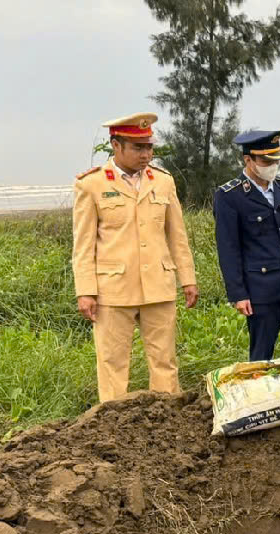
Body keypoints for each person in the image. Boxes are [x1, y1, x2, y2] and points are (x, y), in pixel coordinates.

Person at [72, 112, 198, 402]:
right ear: (116, 146)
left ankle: (167, 419)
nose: (146, 154)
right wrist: (86, 291)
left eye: (149, 147)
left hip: (159, 285)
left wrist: (188, 279)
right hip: (113, 290)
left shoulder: (163, 181)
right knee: (113, 364)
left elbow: (177, 236)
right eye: (138, 147)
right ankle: (113, 430)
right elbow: (83, 245)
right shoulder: (91, 185)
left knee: (164, 361)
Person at [213, 130, 280, 361]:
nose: (272, 165)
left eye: (275, 160)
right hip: (261, 290)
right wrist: (238, 294)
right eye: (265, 160)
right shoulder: (230, 196)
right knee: (261, 356)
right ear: (247, 159)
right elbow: (228, 250)